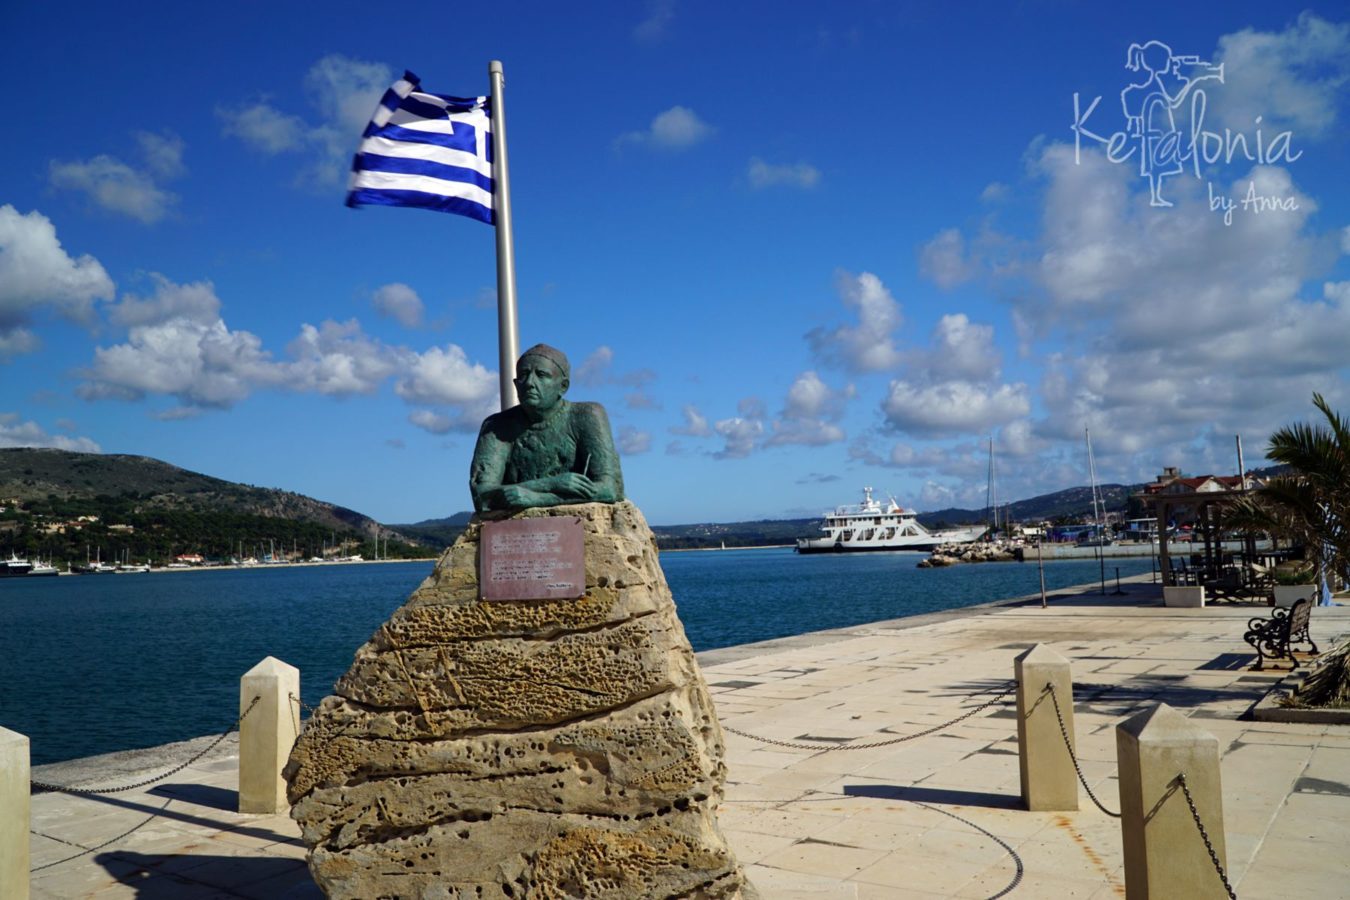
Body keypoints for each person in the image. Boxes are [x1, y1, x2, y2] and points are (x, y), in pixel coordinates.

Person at [469, 344, 625, 512]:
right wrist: (551, 483)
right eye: (523, 375)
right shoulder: (496, 427)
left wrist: (537, 498)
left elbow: (608, 490)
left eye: (541, 375)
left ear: (563, 386)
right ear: (515, 385)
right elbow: (482, 497)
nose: (529, 383)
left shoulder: (587, 416)